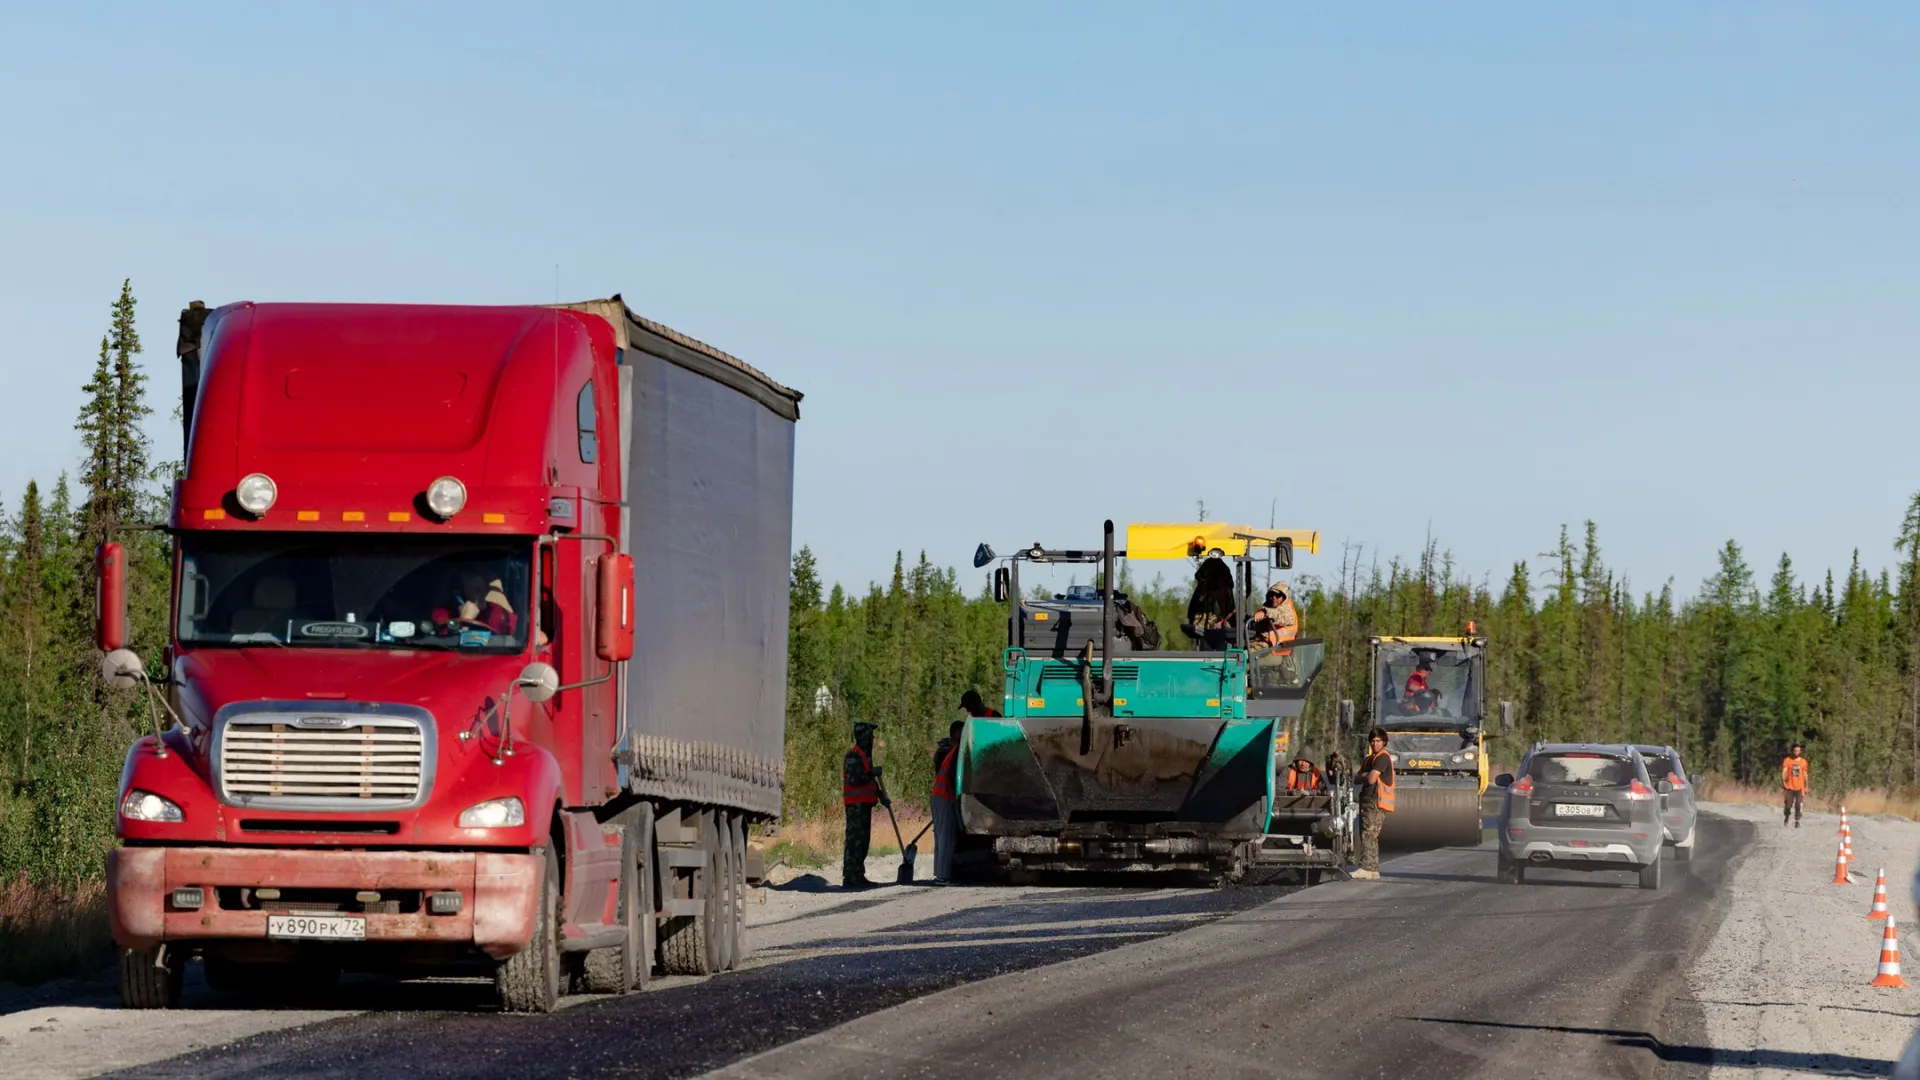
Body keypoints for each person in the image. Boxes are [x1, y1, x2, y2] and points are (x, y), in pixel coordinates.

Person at [842, 722, 886, 888]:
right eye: (870, 735)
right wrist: (871, 773)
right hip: (855, 807)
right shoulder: (853, 755)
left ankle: (858, 874)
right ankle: (850, 876)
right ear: (864, 737)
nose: (873, 739)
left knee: (863, 840)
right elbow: (855, 780)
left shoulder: (864, 756)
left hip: (864, 806)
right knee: (855, 841)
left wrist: (881, 796)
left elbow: (871, 782)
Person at [1352, 727, 1396, 880]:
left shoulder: (1383, 758)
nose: (1375, 743)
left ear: (1384, 742)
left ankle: (1367, 868)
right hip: (1367, 799)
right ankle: (1371, 869)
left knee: (1369, 834)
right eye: (1372, 741)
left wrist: (1365, 775)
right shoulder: (1369, 759)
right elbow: (1357, 778)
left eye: (1378, 741)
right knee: (1367, 834)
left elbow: (1371, 779)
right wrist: (1365, 774)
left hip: (1376, 801)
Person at [931, 719, 964, 884]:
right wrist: (956, 800)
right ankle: (943, 876)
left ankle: (939, 873)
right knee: (946, 837)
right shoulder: (957, 751)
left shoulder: (951, 751)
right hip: (944, 796)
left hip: (938, 795)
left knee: (940, 836)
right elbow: (952, 776)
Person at [1248, 582, 1299, 647]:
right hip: (1265, 644)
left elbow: (1277, 614)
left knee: (1243, 655)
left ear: (1284, 597)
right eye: (1271, 595)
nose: (1274, 598)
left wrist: (1265, 612)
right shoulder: (1269, 608)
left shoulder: (1287, 610)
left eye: (1277, 595)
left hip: (1278, 649)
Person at [1781, 743, 1811, 828]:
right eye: (1795, 750)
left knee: (1798, 804)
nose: (1796, 752)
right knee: (1788, 805)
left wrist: (1806, 786)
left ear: (1800, 751)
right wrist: (1783, 782)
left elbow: (1805, 774)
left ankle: (1797, 821)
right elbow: (1784, 771)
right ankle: (1786, 816)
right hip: (1790, 787)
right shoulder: (1787, 760)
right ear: (1792, 751)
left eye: (1798, 750)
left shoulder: (1803, 762)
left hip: (1800, 787)